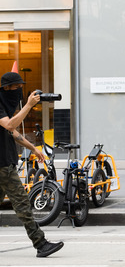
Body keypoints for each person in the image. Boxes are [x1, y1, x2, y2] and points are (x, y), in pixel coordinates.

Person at [0, 72, 64, 258]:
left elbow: (12, 134)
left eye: (21, 87)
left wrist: (33, 148)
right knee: (22, 204)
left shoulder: (5, 104)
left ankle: (41, 243)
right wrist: (29, 105)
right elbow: (10, 126)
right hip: (3, 166)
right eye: (16, 88)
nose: (19, 91)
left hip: (5, 162)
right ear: (6, 88)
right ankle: (41, 243)